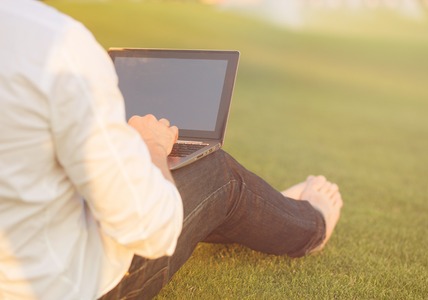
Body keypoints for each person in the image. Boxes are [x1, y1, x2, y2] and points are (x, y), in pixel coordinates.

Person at [0, 1, 343, 299]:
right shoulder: (53, 43)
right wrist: (150, 147)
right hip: (73, 289)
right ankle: (312, 225)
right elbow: (152, 231)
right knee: (216, 175)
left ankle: (263, 209)